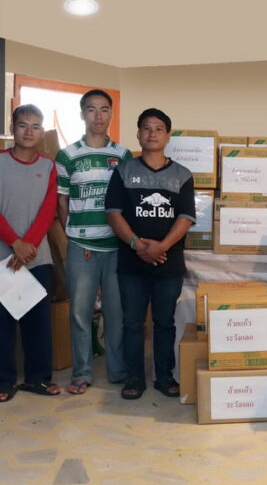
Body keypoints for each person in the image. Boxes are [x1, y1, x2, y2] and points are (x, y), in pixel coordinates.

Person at [105, 108, 195, 400]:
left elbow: (185, 217)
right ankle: (134, 377)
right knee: (132, 323)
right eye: (146, 128)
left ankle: (164, 377)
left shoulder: (182, 175)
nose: (152, 133)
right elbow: (114, 213)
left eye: (158, 128)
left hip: (168, 263)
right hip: (131, 264)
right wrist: (137, 245)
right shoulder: (123, 171)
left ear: (167, 136)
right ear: (138, 134)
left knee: (164, 323)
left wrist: (161, 246)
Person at [0, 104, 59, 402]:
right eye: (23, 125)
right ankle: (3, 382)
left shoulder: (48, 166)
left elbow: (48, 210)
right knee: (1, 324)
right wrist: (15, 243)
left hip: (38, 257)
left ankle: (38, 379)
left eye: (35, 126)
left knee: (38, 322)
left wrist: (27, 246)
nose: (29, 131)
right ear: (13, 128)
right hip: (0, 257)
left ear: (42, 132)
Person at [56, 89, 132, 395]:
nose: (98, 116)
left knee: (116, 313)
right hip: (81, 246)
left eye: (104, 109)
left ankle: (118, 371)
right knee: (80, 313)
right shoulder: (67, 155)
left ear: (111, 114)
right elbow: (62, 202)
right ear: (82, 114)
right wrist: (73, 233)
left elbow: (128, 202)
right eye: (91, 109)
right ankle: (82, 373)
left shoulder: (124, 155)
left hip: (115, 247)